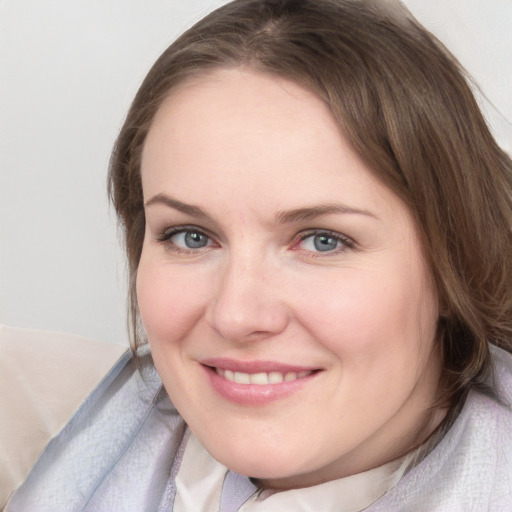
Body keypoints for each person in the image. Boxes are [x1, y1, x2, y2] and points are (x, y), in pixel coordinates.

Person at [5, 0, 512, 510]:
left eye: (322, 240)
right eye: (190, 236)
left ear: (457, 263)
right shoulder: (43, 449)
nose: (236, 314)